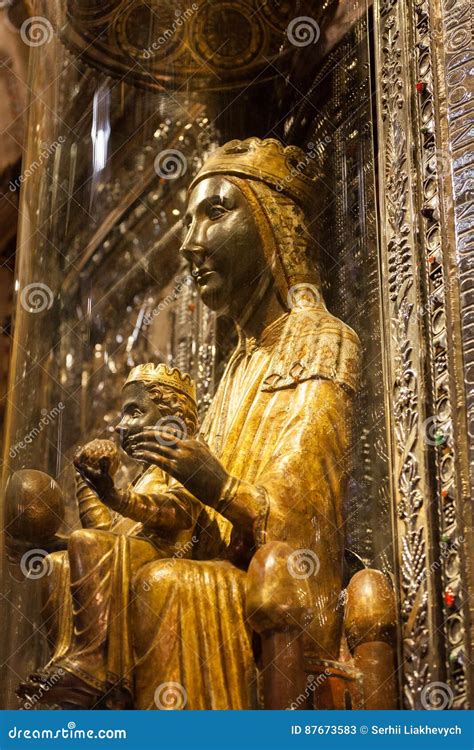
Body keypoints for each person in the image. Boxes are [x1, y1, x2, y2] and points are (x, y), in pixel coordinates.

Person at [125, 137, 361, 709]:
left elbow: (304, 524)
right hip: (227, 579)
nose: (189, 244)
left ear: (269, 226)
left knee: (162, 585)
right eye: (186, 222)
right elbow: (206, 533)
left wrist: (221, 486)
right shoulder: (237, 365)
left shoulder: (324, 341)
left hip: (284, 597)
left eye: (215, 213)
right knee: (108, 556)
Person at [18, 363, 201, 709]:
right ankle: (72, 664)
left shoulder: (184, 458)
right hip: (130, 555)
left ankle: (93, 663)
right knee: (57, 564)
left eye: (135, 412)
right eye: (123, 414)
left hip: (165, 557)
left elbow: (179, 513)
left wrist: (116, 496)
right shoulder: (142, 476)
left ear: (171, 417)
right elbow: (102, 534)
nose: (121, 425)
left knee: (82, 545)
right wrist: (86, 477)